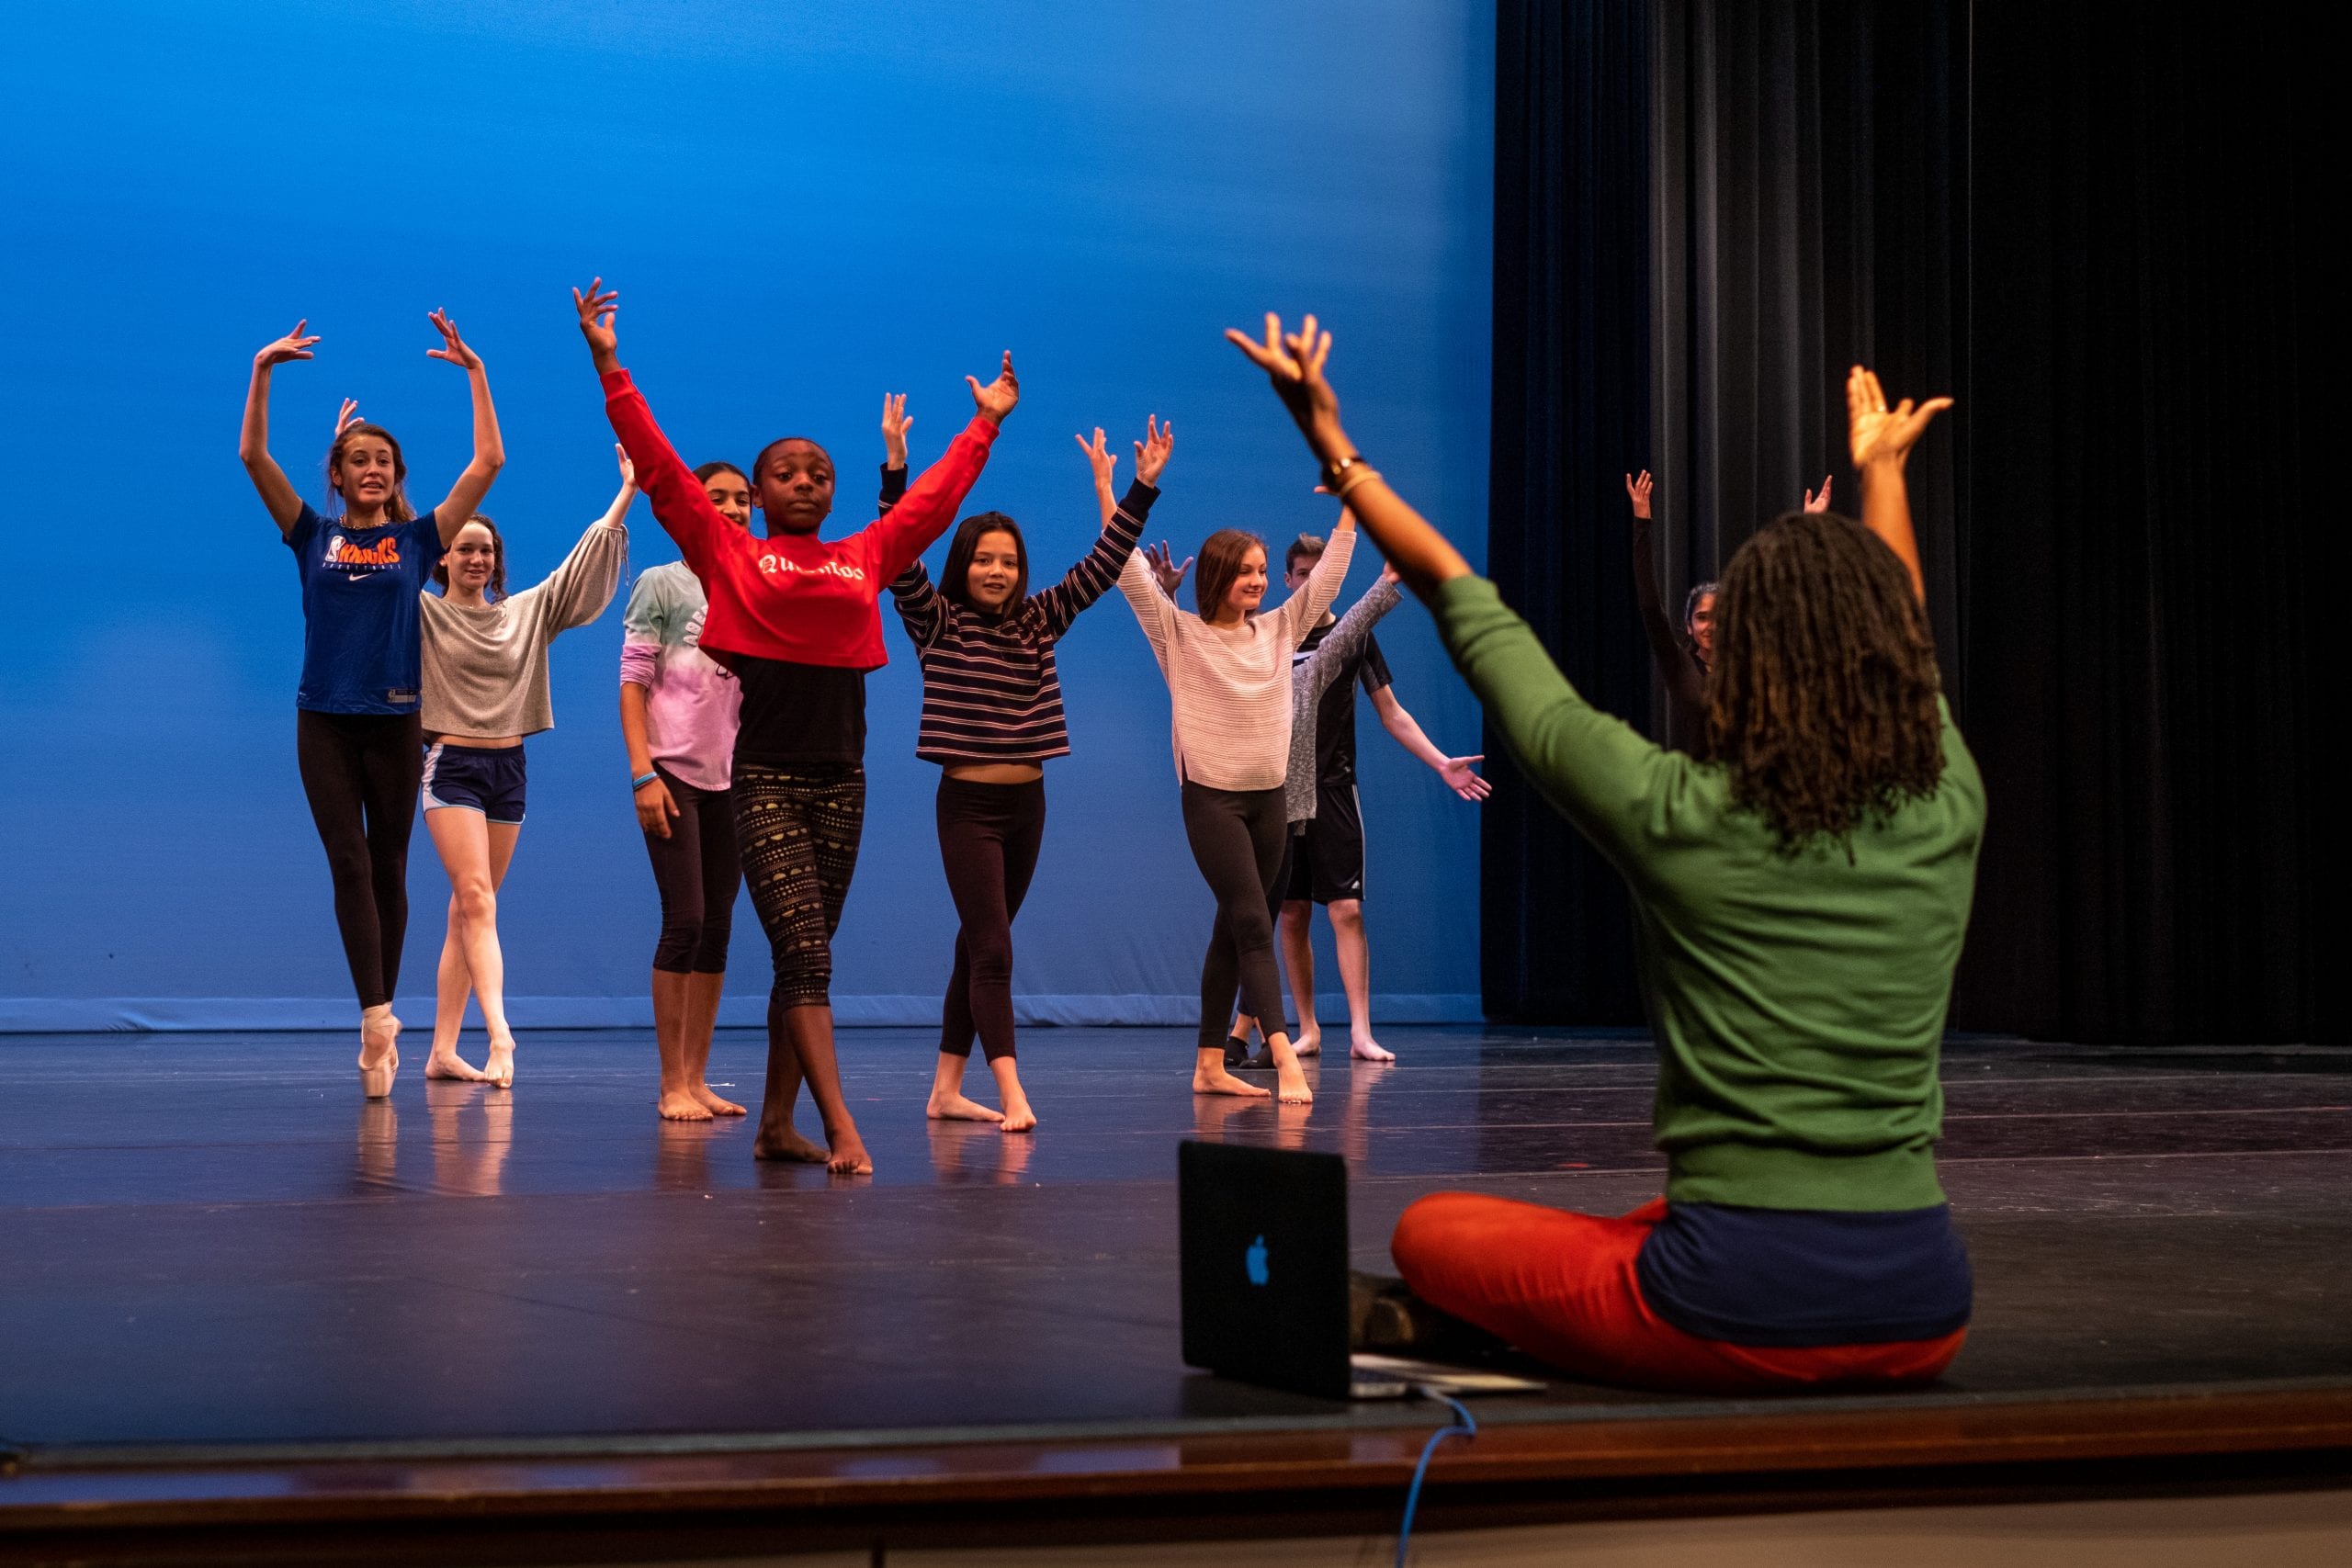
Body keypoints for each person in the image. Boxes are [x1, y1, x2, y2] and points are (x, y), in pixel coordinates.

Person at [1231, 311, 1976, 1393]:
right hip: (1922, 1304)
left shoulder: (1678, 810)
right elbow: (1904, 646)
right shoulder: (1945, 798)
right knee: (1642, 1222)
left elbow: (1466, 606)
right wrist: (1886, 476)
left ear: (1744, 654)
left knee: (1435, 1233)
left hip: (1729, 1309)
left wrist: (1335, 452)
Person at [575, 278, 1020, 1175]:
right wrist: (609, 365)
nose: (806, 482)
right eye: (787, 473)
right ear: (762, 491)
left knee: (800, 961)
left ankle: (778, 1126)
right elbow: (661, 471)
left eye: (820, 472)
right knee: (806, 953)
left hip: (842, 783)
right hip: (766, 779)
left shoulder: (863, 555)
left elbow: (927, 506)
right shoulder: (731, 552)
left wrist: (986, 425)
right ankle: (842, 1125)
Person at [239, 312, 503, 1098]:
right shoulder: (310, 534)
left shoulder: (420, 541)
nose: (373, 469)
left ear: (397, 472)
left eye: (384, 460)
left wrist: (475, 371)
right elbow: (253, 454)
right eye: (358, 458)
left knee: (390, 866)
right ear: (338, 471)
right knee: (347, 860)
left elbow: (488, 461)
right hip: (322, 717)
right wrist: (264, 368)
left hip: (395, 721)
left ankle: (381, 1028)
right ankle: (376, 1015)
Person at [887, 412, 1170, 1133]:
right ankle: (1012, 1090)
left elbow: (1102, 566)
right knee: (994, 948)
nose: (996, 570)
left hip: (1029, 806)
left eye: (1008, 561)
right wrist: (896, 466)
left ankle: (946, 1089)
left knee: (975, 943)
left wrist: (1138, 487)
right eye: (984, 559)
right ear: (965, 564)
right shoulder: (939, 620)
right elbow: (896, 554)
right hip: (968, 809)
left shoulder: (1041, 619)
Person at [1117, 457, 1357, 1108]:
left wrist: (1350, 502)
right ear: (1219, 576)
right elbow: (1128, 571)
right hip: (1212, 800)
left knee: (1232, 927)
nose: (1257, 580)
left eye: (1261, 571)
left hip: (1270, 800)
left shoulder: (1282, 629)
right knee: (1254, 922)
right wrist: (1117, 490)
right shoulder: (1181, 634)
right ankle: (1283, 1056)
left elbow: (1331, 576)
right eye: (1245, 571)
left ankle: (1208, 1064)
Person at [1216, 530, 1488, 1065]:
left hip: (1335, 791)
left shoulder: (1355, 634)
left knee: (1345, 909)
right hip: (1278, 795)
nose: (1314, 583)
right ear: (1289, 581)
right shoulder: (1268, 636)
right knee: (1290, 913)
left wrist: (1440, 762)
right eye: (1302, 574)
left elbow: (1393, 713)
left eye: (1326, 574)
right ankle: (1309, 1028)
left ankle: (1361, 1032)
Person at [416, 447, 632, 1089]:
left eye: (486, 549)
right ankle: (502, 1036)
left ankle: (442, 1050)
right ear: (443, 558)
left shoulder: (524, 614)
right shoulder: (423, 611)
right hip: (451, 765)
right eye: (463, 547)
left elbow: (579, 571)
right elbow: (390, 549)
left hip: (509, 768)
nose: (477, 557)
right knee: (478, 899)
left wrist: (625, 493)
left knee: (469, 909)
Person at [621, 457, 754, 1122]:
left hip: (733, 779)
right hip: (671, 773)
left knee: (720, 926)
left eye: (742, 500)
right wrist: (642, 771)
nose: (732, 510)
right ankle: (671, 1080)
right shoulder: (663, 584)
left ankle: (699, 1077)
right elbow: (634, 681)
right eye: (718, 498)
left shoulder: (756, 582)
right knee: (687, 918)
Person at [1625, 468, 1831, 751]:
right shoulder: (1679, 665)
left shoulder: (1745, 664)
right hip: (1696, 787)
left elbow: (1791, 609)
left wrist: (1809, 532)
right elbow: (1649, 605)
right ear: (1688, 626)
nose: (1711, 626)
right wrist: (1641, 523)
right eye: (1702, 618)